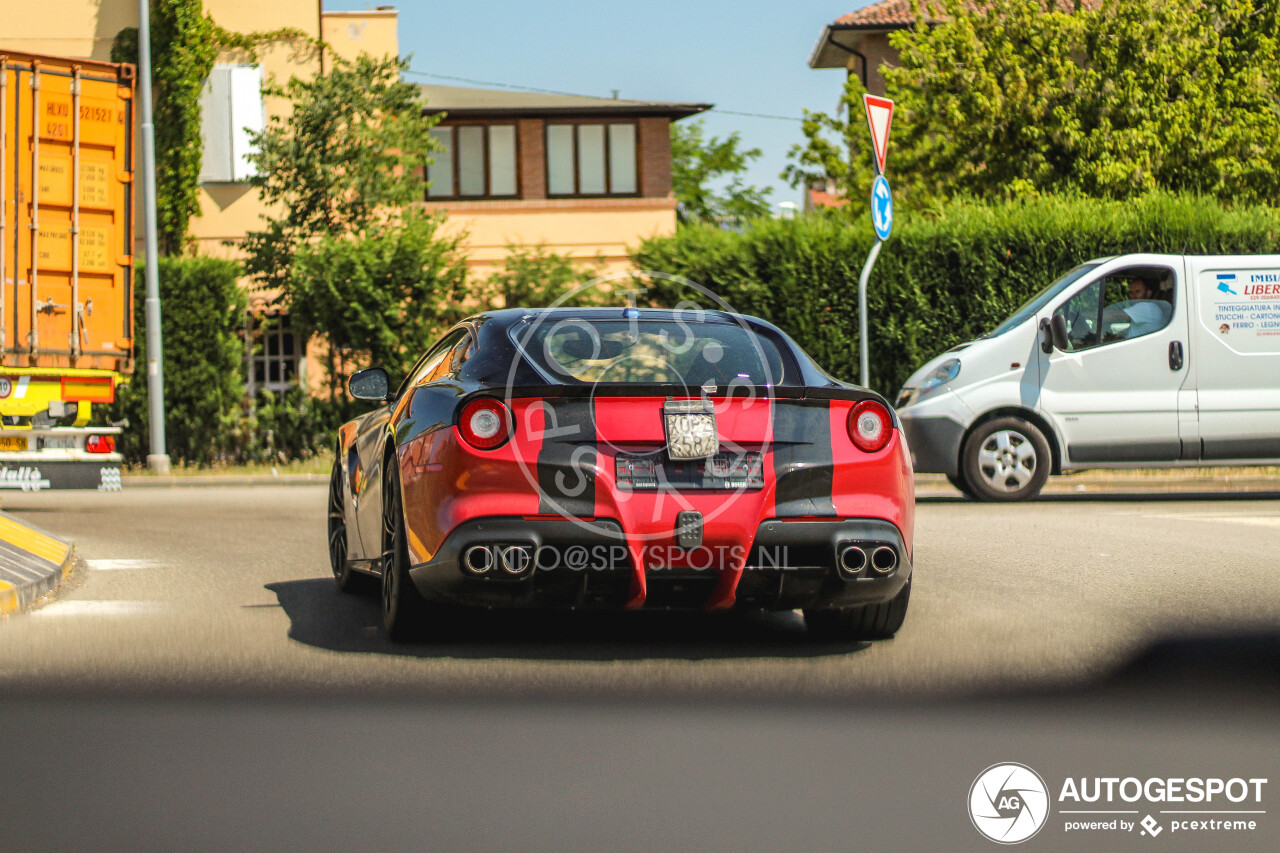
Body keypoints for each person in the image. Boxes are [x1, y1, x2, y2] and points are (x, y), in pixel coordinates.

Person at [1104, 277, 1172, 339]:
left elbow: (1114, 316)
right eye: (1131, 292)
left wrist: (1094, 315)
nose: (1133, 296)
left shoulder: (1147, 308)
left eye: (1137, 291)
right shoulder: (1145, 309)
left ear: (1148, 293)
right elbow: (1132, 330)